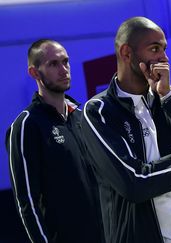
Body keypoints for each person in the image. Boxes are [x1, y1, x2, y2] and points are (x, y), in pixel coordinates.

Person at [80, 16, 171, 243]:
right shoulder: (98, 111)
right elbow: (134, 182)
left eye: (164, 49)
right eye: (154, 49)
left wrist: (168, 98)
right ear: (127, 53)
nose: (164, 58)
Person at [5, 39, 104, 243]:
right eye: (53, 64)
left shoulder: (82, 116)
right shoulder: (27, 125)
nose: (63, 69)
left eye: (65, 62)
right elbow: (27, 202)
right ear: (34, 73)